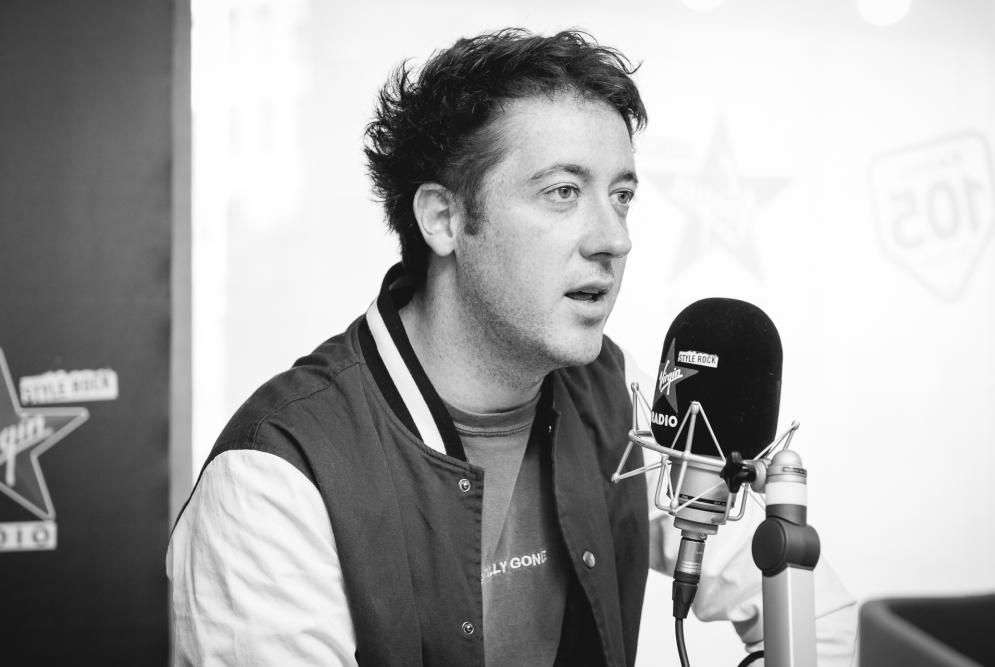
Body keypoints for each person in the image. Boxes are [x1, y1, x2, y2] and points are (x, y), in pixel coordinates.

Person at [167, 28, 856, 666]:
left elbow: (821, 621)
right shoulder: (274, 479)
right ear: (444, 218)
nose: (614, 238)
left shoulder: (613, 396)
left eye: (621, 196)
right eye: (563, 192)